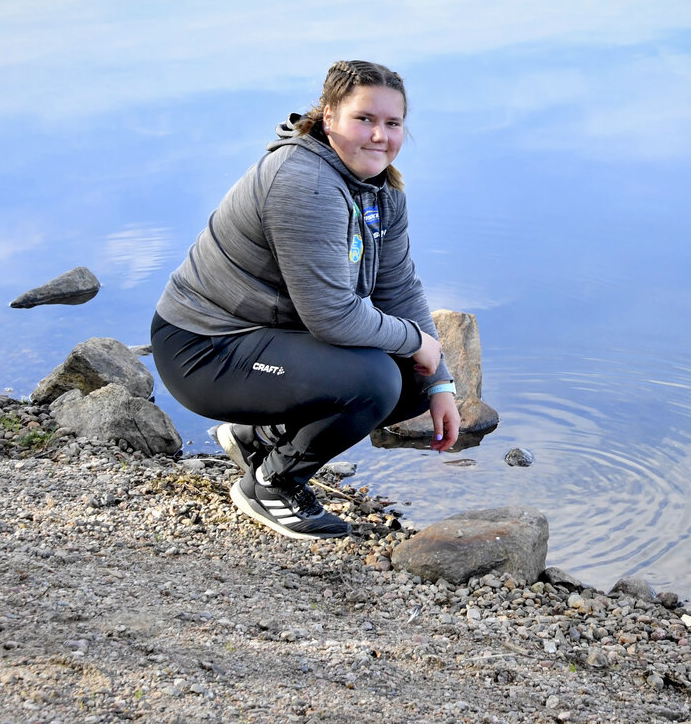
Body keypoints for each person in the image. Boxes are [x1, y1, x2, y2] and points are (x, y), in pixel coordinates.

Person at [151, 60, 460, 541]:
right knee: (376, 380)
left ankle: (256, 438)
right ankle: (272, 485)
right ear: (329, 116)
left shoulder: (381, 190)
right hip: (204, 349)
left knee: (415, 378)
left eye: (392, 123)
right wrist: (417, 341)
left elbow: (398, 288)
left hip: (267, 339)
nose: (379, 135)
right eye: (364, 119)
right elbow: (333, 317)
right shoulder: (304, 182)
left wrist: (440, 382)